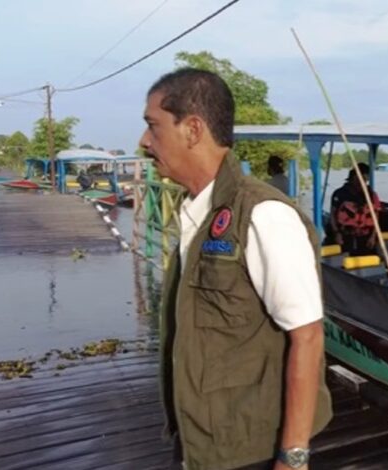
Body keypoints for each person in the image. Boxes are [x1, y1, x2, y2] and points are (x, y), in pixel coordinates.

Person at [139, 68, 332, 470]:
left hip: (252, 450)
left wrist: (292, 458)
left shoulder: (263, 215)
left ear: (192, 129)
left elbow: (308, 336)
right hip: (205, 443)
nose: (145, 142)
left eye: (153, 127)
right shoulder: (201, 212)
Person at [328, 163, 381, 255]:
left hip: (365, 236)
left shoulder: (371, 195)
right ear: (353, 177)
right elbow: (333, 214)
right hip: (345, 235)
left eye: (365, 180)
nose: (362, 182)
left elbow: (375, 216)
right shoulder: (340, 194)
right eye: (360, 179)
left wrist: (373, 236)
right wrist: (337, 233)